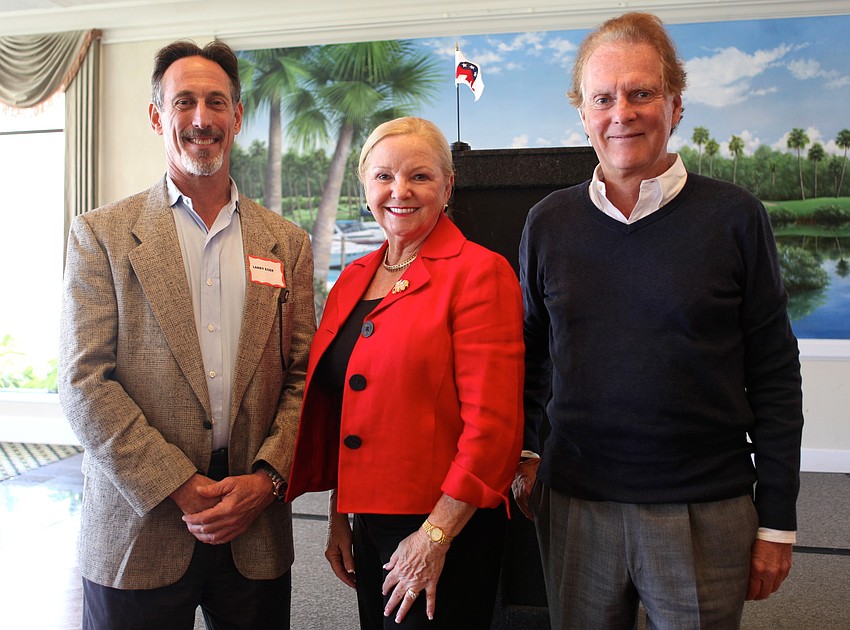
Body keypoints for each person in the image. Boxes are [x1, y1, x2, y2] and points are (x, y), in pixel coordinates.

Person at [513, 12, 804, 629]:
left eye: (642, 93)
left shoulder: (735, 217)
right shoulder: (548, 223)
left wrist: (777, 518)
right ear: (583, 113)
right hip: (576, 505)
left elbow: (776, 375)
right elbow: (530, 354)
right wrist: (527, 449)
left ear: (675, 104)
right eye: (603, 97)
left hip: (704, 508)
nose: (622, 112)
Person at [58, 40, 315, 629]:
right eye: (185, 102)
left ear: (238, 116)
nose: (202, 119)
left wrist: (268, 479)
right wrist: (175, 483)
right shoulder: (101, 236)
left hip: (253, 528)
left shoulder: (286, 243)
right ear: (157, 116)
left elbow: (303, 375)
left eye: (217, 102)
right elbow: (83, 381)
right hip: (138, 527)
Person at [286, 116, 524, 629]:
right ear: (364, 186)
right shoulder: (352, 279)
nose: (401, 191)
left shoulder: (480, 272)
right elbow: (349, 408)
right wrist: (338, 514)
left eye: (420, 176)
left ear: (447, 185)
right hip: (367, 520)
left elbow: (495, 429)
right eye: (384, 177)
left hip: (443, 527)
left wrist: (434, 536)